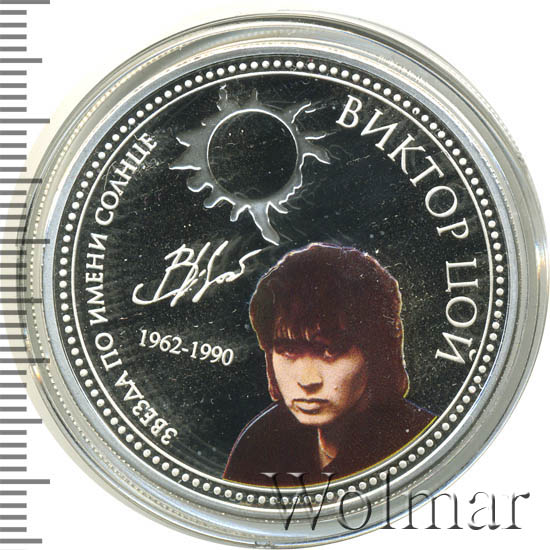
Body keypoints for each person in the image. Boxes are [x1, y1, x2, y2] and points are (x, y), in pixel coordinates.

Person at [223, 243, 435, 486]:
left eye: (330, 350)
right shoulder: (262, 441)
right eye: (288, 350)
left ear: (375, 351)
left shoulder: (422, 438)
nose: (307, 380)